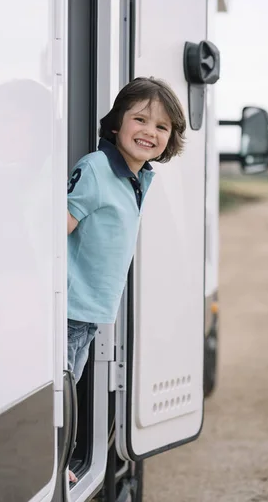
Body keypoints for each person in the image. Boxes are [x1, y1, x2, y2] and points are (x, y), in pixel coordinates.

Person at [66, 76, 186, 482]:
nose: (150, 132)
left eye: (162, 126)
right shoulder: (97, 168)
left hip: (88, 312)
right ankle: (54, 466)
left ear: (170, 139)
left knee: (69, 388)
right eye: (140, 119)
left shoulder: (139, 176)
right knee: (58, 393)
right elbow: (58, 229)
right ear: (117, 123)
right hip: (67, 306)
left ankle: (58, 462)